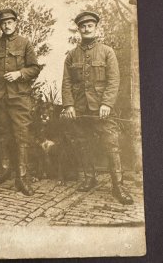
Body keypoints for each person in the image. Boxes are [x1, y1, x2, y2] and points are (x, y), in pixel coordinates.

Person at [62, 11, 133, 205]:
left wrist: (106, 104)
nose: (86, 29)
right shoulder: (71, 55)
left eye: (90, 26)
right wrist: (69, 105)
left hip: (102, 109)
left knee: (111, 145)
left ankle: (118, 187)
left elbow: (114, 80)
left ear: (96, 28)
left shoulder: (107, 52)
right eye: (83, 26)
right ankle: (90, 177)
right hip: (80, 109)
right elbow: (66, 82)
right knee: (83, 143)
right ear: (79, 29)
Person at [0, 8, 40, 196]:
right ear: (0, 25)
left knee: (21, 136)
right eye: (3, 23)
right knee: (3, 135)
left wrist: (19, 73)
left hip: (20, 98)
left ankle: (22, 177)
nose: (7, 25)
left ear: (15, 23)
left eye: (10, 22)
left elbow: (35, 68)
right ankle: (5, 169)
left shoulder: (25, 44)